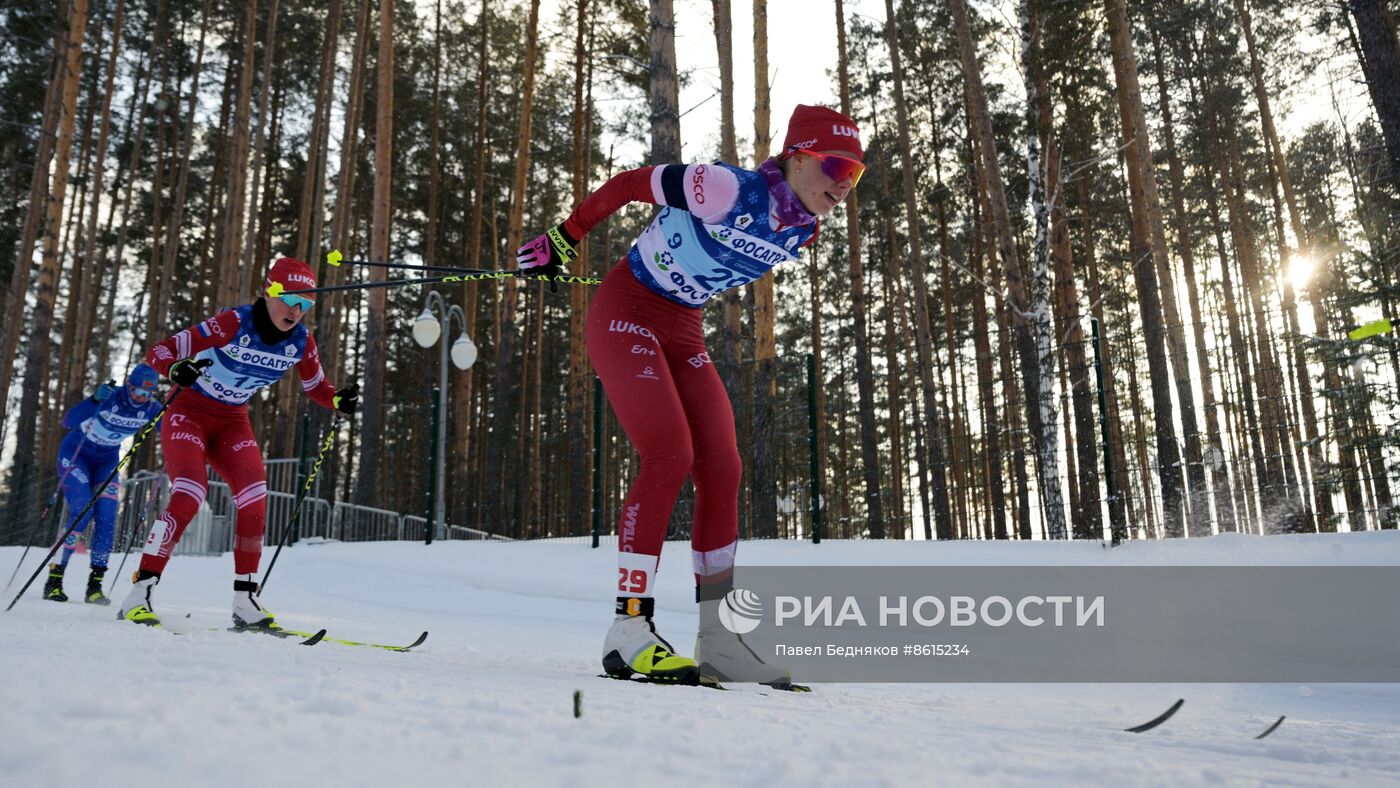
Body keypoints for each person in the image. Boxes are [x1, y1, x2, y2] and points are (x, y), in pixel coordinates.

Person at [516, 104, 864, 684]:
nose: (844, 184)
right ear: (798, 156)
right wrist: (567, 236)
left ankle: (720, 638)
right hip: (626, 310)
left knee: (723, 467)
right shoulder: (725, 187)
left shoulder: (804, 226)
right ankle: (628, 632)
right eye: (835, 166)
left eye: (856, 175)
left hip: (682, 328)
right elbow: (632, 184)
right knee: (669, 453)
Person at [117, 258, 359, 628]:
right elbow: (161, 351)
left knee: (255, 497)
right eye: (291, 300)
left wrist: (337, 399)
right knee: (189, 493)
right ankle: (141, 591)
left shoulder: (301, 341)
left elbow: (316, 387)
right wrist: (174, 369)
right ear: (270, 292)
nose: (297, 311)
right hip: (190, 411)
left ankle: (245, 600)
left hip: (232, 421)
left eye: (306, 304)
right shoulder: (234, 322)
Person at [42, 365, 163, 605]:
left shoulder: (151, 409)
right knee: (82, 511)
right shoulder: (111, 397)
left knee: (107, 518)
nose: (141, 398)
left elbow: (171, 430)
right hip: (76, 456)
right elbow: (68, 422)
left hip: (106, 461)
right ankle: (54, 580)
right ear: (128, 386)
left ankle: (94, 586)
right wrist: (94, 399)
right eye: (137, 391)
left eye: (147, 394)